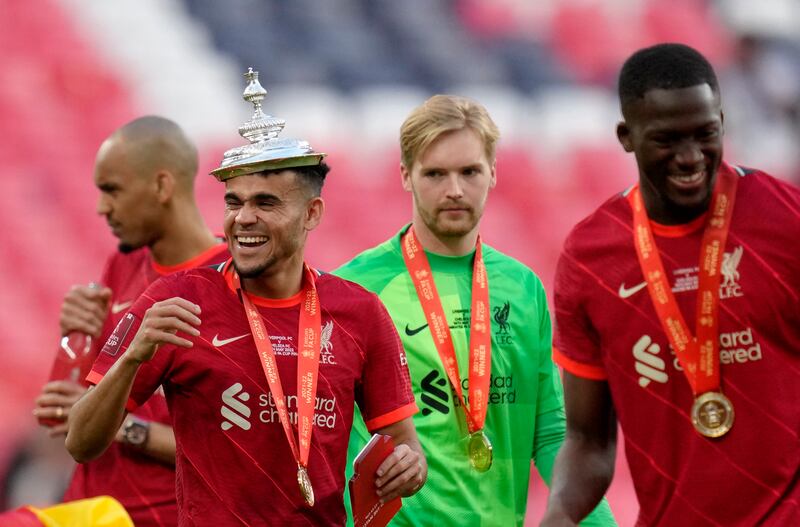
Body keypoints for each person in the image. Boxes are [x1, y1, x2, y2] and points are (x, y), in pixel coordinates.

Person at [65, 70, 426, 526]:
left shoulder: (359, 313)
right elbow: (80, 441)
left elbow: (403, 443)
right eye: (235, 202)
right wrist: (133, 358)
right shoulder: (178, 300)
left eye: (267, 204)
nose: (244, 219)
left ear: (312, 212)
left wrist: (410, 466)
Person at [542, 43, 800, 526]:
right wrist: (558, 515)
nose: (690, 157)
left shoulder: (788, 220)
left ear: (722, 120)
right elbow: (589, 441)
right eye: (667, 140)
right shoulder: (592, 257)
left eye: (706, 134)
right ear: (627, 136)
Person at [333, 95, 615, 526]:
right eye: (435, 174)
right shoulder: (354, 288)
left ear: (493, 173)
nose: (454, 190)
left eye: (469, 171)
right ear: (406, 176)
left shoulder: (523, 288)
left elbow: (550, 430)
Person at [32, 115, 228, 526]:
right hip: (85, 509)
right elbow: (92, 396)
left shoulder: (232, 284)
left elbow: (239, 452)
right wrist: (76, 340)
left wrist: (121, 427)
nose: (102, 207)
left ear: (161, 186)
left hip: (159, 515)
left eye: (112, 190)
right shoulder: (123, 264)